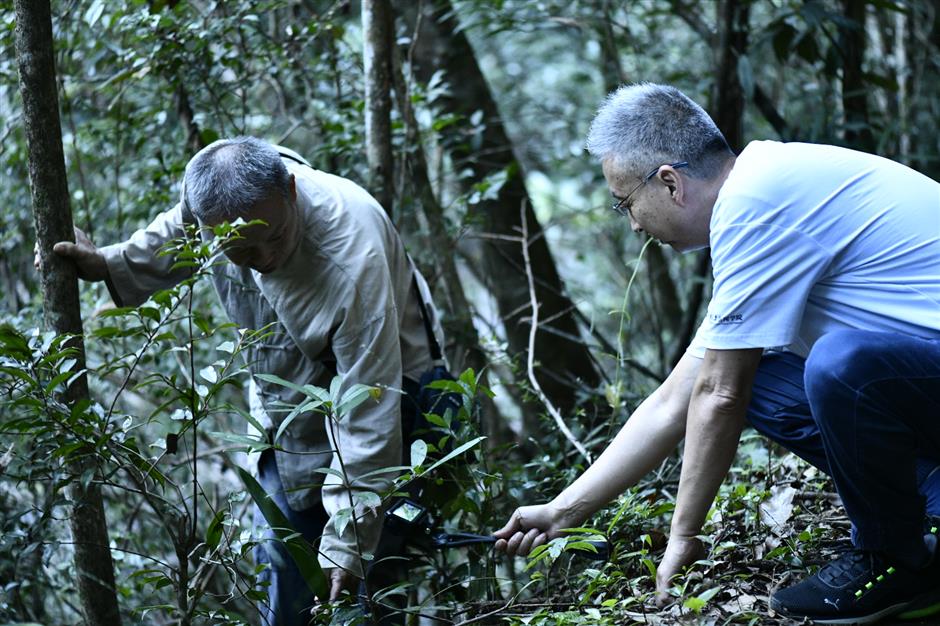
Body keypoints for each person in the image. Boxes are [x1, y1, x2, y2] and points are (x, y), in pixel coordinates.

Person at [494, 83, 940, 624]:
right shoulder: (760, 192)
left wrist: (683, 534)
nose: (633, 224)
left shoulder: (757, 203)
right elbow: (679, 396)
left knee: (837, 366)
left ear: (669, 182)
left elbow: (718, 394)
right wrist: (562, 510)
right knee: (770, 380)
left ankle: (895, 559)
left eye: (625, 203)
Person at [49, 137, 451, 625]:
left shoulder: (350, 251)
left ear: (293, 193)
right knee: (286, 584)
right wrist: (111, 263)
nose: (263, 257)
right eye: (240, 249)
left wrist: (347, 536)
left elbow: (370, 408)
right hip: (285, 413)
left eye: (276, 237)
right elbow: (178, 233)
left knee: (367, 589)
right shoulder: (213, 218)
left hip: (389, 408)